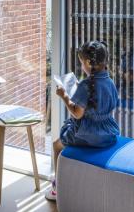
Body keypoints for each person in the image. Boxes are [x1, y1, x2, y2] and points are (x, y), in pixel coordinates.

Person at [46, 40, 120, 202]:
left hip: (89, 134)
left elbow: (77, 114)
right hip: (108, 133)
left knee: (56, 145)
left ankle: (57, 187)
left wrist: (64, 96)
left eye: (81, 63)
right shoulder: (110, 82)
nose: (81, 66)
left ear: (87, 63)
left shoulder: (86, 86)